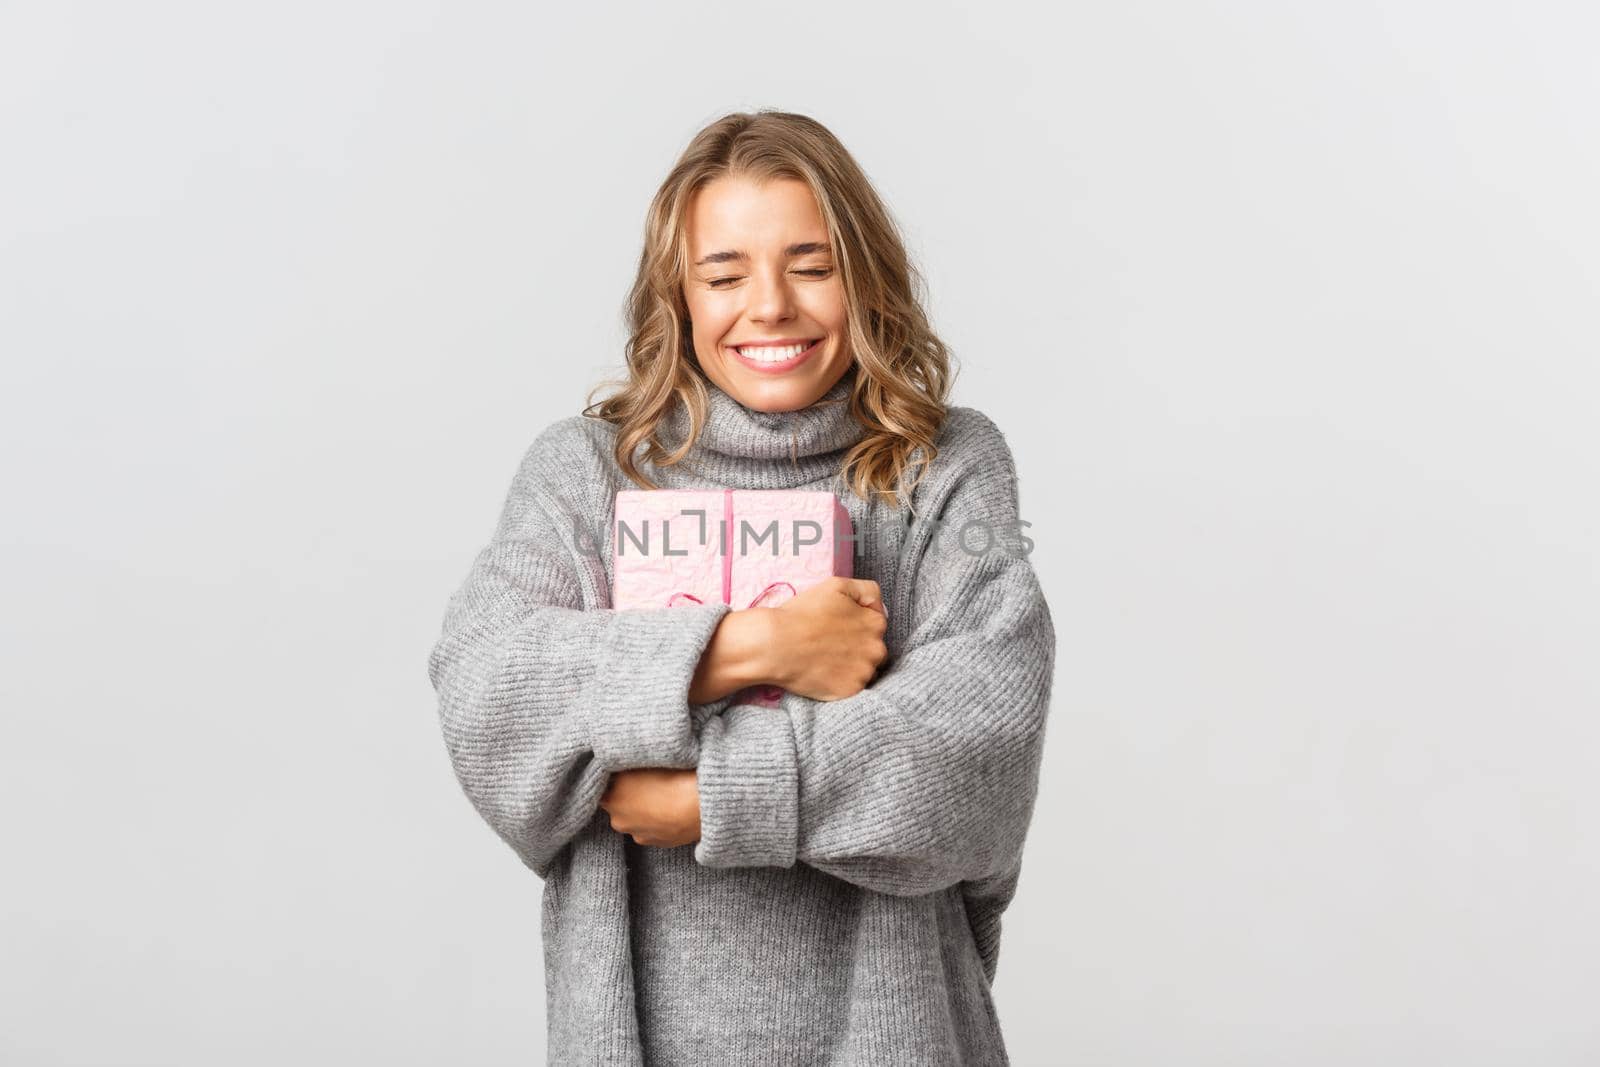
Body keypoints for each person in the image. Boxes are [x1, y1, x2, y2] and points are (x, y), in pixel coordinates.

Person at [427, 109, 1057, 1066]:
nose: (769, 305)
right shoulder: (587, 474)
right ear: (677, 296)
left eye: (811, 265)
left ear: (865, 277)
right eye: (723, 274)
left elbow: (982, 754)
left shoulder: (944, 469)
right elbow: (487, 694)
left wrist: (719, 795)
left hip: (900, 1033)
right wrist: (748, 651)